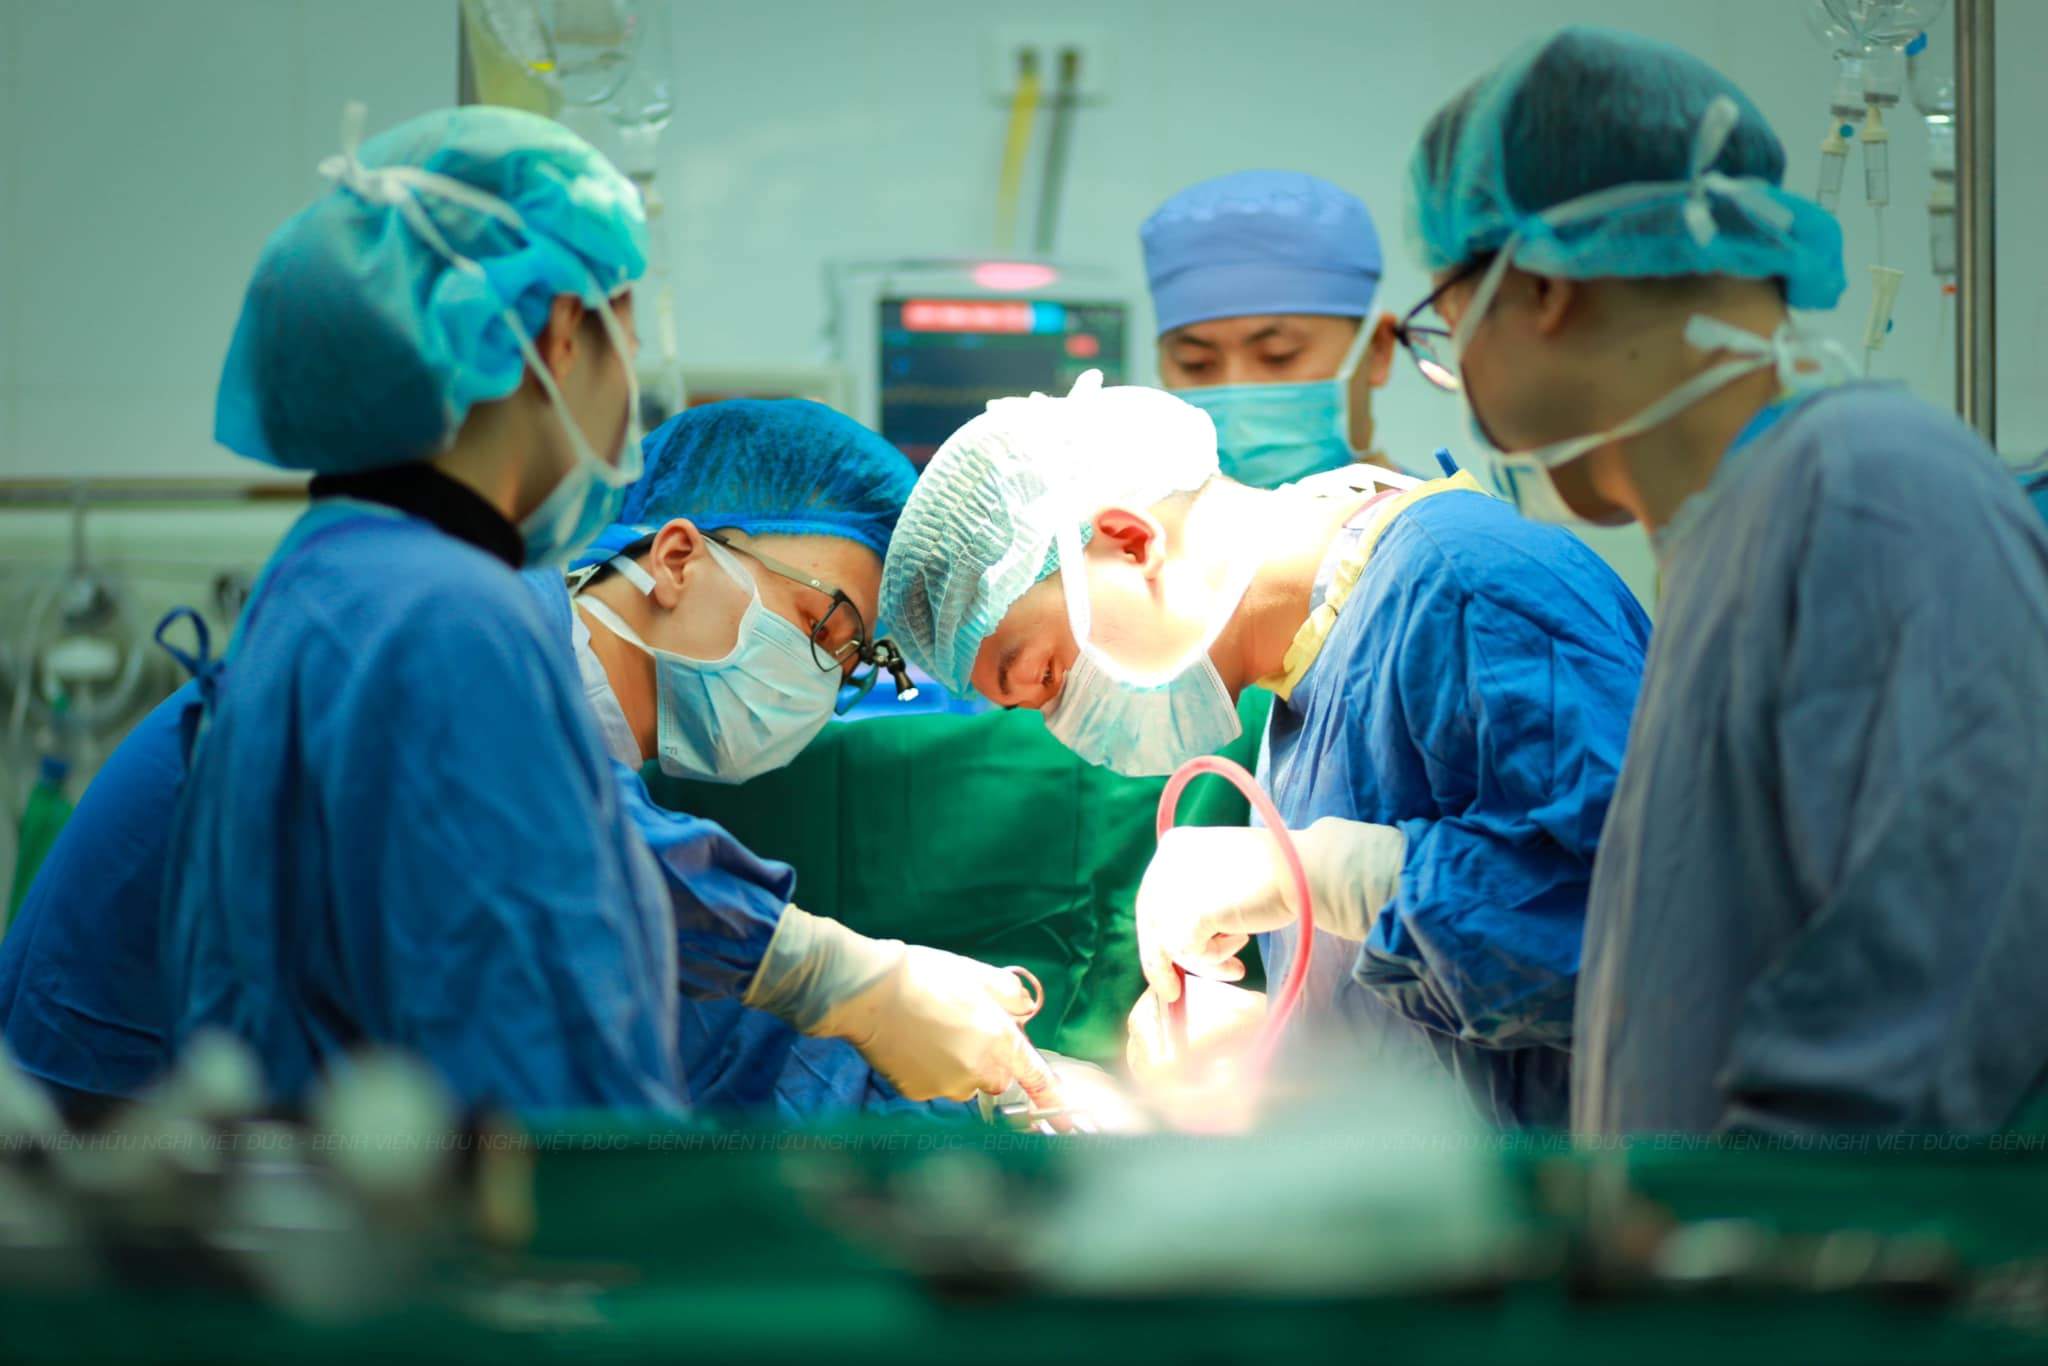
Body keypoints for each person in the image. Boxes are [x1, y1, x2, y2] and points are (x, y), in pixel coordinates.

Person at [146, 105, 1051, 1116]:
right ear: (563, 337)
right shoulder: (437, 611)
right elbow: (584, 922)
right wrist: (853, 984)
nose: (632, 398)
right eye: (628, 338)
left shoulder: (364, 571)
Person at [1404, 26, 2048, 1132]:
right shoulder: (1735, 537)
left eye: (1447, 323)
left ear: (1540, 284)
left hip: (1824, 1248)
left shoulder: (1870, 492)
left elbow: (1918, 1051)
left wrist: (1731, 1232)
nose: (1453, 370)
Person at [880, 371, 1649, 1127]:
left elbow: (1645, 936)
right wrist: (1278, 1048)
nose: (1067, 724)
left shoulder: (1471, 584)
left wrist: (1320, 876)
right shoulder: (1307, 685)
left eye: (1046, 675)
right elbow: (1457, 1008)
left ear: (1132, 542)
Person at [1141, 171, 1398, 489]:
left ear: (1378, 350)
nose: (1237, 397)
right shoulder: (1120, 521)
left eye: (1278, 356)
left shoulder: (1439, 520)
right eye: (1195, 363)